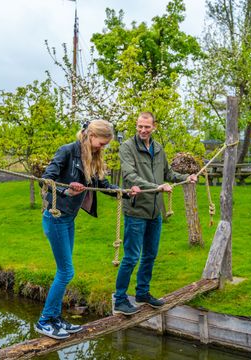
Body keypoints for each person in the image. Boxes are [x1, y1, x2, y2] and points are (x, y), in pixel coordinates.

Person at [36, 119, 139, 339]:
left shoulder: (93, 158)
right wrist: (66, 191)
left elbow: (103, 185)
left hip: (68, 219)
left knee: (64, 272)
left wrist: (126, 192)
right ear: (91, 136)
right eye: (101, 143)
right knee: (66, 272)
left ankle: (54, 318)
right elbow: (45, 180)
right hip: (55, 218)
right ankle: (44, 321)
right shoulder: (67, 152)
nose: (102, 148)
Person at [113, 112, 197, 315]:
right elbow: (129, 175)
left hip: (155, 211)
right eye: (140, 126)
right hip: (136, 209)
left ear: (154, 127)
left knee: (150, 255)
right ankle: (120, 299)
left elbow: (168, 174)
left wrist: (186, 177)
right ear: (136, 126)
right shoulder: (127, 148)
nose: (143, 130)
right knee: (131, 257)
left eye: (147, 127)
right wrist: (157, 186)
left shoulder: (158, 148)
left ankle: (142, 292)